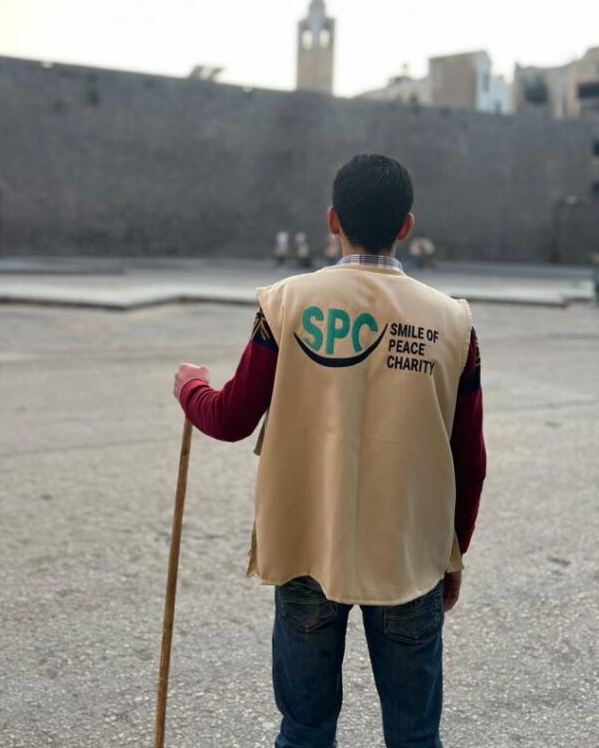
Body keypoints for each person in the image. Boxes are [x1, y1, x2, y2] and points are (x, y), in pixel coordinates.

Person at [173, 154, 486, 748]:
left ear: (332, 219)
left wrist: (189, 386)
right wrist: (454, 552)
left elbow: (232, 417)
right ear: (407, 227)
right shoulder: (454, 324)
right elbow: (470, 458)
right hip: (409, 555)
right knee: (416, 738)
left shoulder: (286, 304)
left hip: (308, 549)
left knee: (306, 729)